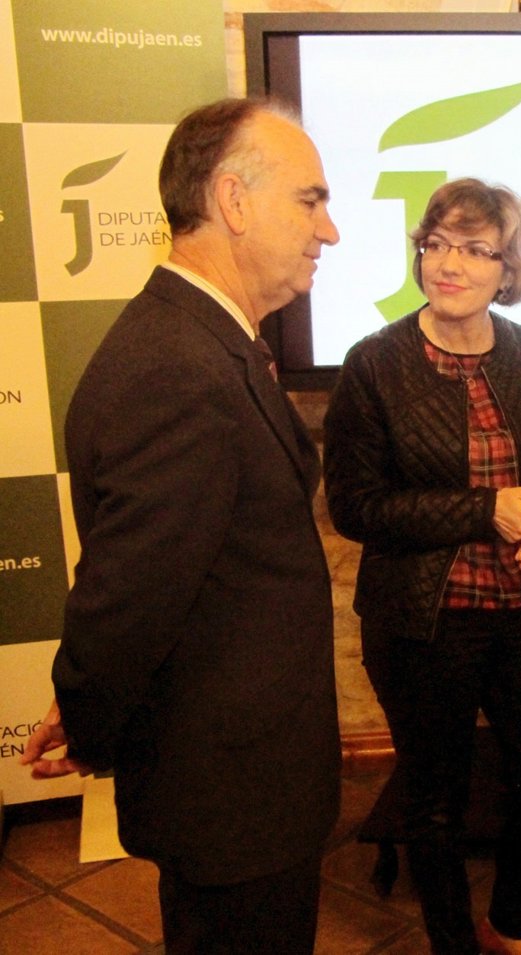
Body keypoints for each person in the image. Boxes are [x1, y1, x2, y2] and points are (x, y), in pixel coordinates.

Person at [20, 97, 342, 952]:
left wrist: (89, 702)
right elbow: (129, 600)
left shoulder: (204, 341)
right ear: (234, 200)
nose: (330, 230)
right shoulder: (179, 368)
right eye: (310, 200)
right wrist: (90, 713)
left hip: (241, 779)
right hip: (231, 797)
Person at [322, 178, 521, 955]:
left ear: (509, 268)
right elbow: (356, 506)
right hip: (422, 618)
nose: (448, 263)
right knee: (434, 800)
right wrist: (483, 509)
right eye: (435, 244)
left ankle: (509, 922)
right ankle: (452, 942)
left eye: (473, 248)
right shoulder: (373, 363)